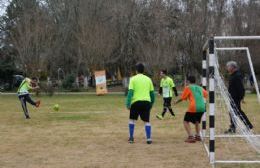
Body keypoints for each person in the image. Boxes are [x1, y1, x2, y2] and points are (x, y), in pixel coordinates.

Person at [126, 63, 155, 144]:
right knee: (147, 121)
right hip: (146, 102)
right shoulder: (148, 79)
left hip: (136, 102)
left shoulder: (133, 79)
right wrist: (151, 103)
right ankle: (148, 138)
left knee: (132, 120)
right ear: (143, 70)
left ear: (136, 70)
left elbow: (130, 92)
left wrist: (128, 104)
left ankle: (131, 138)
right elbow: (152, 93)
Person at [174, 76, 208, 143]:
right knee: (197, 121)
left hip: (194, 107)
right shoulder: (200, 88)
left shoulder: (188, 87)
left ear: (189, 81)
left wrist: (176, 101)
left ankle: (190, 137)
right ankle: (198, 136)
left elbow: (183, 98)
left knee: (185, 121)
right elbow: (206, 94)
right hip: (202, 107)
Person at [225, 61, 253, 133]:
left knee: (237, 112)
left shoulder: (237, 76)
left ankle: (248, 126)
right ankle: (234, 127)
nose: (227, 68)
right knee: (233, 112)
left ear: (233, 67)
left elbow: (240, 88)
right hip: (232, 97)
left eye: (228, 66)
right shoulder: (233, 75)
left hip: (235, 97)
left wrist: (242, 97)